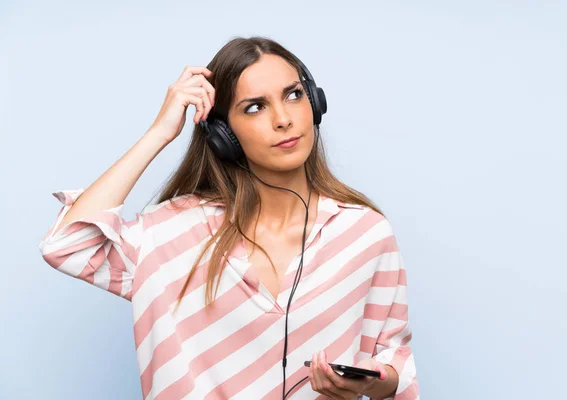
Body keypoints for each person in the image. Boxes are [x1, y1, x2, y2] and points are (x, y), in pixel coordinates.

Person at [38, 36, 419, 400]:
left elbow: (393, 359)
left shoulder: (365, 234)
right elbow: (67, 245)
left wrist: (370, 382)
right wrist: (159, 133)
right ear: (223, 133)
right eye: (255, 107)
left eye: (293, 95)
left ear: (315, 104)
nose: (284, 119)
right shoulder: (174, 232)